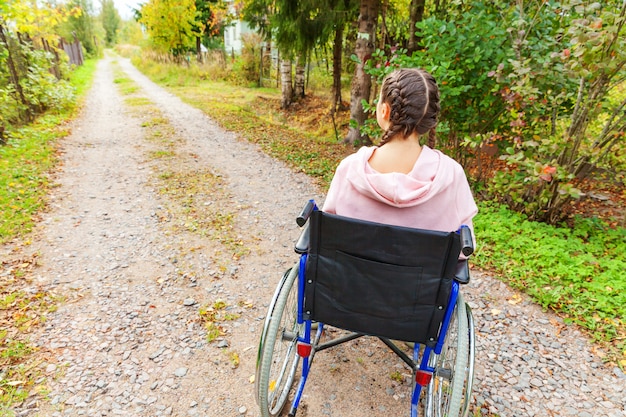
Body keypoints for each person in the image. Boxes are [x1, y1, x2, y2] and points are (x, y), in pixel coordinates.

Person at [322, 68, 477, 250]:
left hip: (349, 278)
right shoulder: (451, 175)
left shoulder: (350, 169)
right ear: (430, 118)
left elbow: (326, 236)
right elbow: (464, 250)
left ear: (384, 111)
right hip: (423, 278)